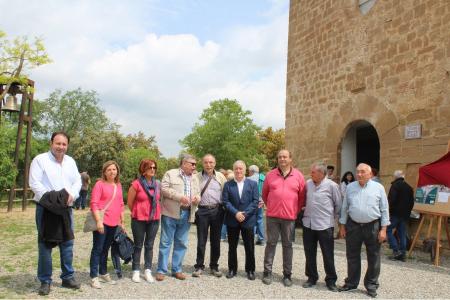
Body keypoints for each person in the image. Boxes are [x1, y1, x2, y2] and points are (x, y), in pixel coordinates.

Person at [29, 131, 82, 296]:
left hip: (66, 208)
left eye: (64, 144)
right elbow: (34, 183)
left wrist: (72, 195)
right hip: (46, 208)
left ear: (67, 145)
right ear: (51, 143)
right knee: (45, 245)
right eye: (58, 143)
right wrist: (52, 199)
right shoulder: (40, 160)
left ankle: (67, 277)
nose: (61, 147)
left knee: (67, 244)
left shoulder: (71, 161)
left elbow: (77, 181)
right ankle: (45, 280)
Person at [338, 163, 389, 298]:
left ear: (370, 174)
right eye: (357, 172)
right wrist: (342, 226)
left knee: (373, 256)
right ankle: (351, 283)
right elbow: (345, 207)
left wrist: (383, 229)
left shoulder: (378, 188)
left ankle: (371, 285)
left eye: (362, 172)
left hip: (372, 226)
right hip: (353, 225)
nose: (359, 174)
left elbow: (384, 209)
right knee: (352, 255)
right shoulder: (350, 187)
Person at [261, 149, 306, 287]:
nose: (282, 159)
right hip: (272, 217)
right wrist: (273, 206)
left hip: (289, 218)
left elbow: (302, 197)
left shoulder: (298, 175)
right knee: (271, 244)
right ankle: (267, 272)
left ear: (290, 159)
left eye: (285, 157)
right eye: (280, 157)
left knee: (288, 245)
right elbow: (265, 194)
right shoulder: (270, 175)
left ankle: (287, 274)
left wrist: (294, 211)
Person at [156, 154, 201, 281]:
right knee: (165, 242)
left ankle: (177, 270)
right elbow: (163, 189)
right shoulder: (171, 173)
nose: (194, 166)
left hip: (187, 213)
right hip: (170, 213)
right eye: (192, 164)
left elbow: (198, 193)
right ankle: (161, 270)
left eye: (195, 164)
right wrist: (179, 197)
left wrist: (197, 198)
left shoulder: (195, 178)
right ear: (184, 163)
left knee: (181, 243)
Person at [302, 163, 342, 292]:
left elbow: (338, 206)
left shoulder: (332, 186)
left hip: (325, 226)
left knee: (328, 254)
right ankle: (312, 278)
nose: (310, 174)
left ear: (321, 173)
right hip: (308, 224)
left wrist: (334, 221)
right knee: (309, 253)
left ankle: (331, 280)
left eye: (313, 172)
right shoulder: (308, 184)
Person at [89, 160, 125, 289]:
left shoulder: (118, 185)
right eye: (109, 169)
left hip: (114, 222)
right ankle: (94, 276)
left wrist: (122, 222)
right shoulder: (100, 184)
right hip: (102, 222)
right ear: (104, 172)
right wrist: (98, 221)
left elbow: (121, 204)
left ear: (117, 171)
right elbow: (94, 203)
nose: (112, 172)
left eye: (114, 169)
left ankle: (103, 272)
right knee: (97, 249)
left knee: (105, 249)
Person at [222, 160, 259, 280]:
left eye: (240, 169)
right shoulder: (228, 185)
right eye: (236, 168)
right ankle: (232, 269)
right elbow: (225, 202)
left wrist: (245, 213)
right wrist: (236, 213)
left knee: (249, 246)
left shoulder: (252, 184)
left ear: (245, 170)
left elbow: (255, 201)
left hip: (247, 220)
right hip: (232, 219)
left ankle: (250, 270)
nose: (238, 171)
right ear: (233, 170)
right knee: (232, 246)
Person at [192, 154, 227, 278]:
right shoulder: (196, 177)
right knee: (201, 240)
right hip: (202, 211)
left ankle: (214, 266)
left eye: (211, 162)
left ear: (215, 163)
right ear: (203, 163)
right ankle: (199, 266)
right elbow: (192, 192)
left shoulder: (221, 177)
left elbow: (225, 193)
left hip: (217, 211)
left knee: (215, 240)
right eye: (206, 162)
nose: (208, 165)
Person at [127, 159, 161, 283]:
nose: (152, 170)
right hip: (139, 219)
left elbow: (158, 199)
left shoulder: (157, 184)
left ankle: (147, 270)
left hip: (154, 218)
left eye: (154, 167)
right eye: (150, 167)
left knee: (150, 245)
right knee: (138, 245)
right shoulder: (136, 184)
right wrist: (139, 210)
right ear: (143, 169)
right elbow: (130, 203)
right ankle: (135, 270)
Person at [386, 170, 414, 262]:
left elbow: (391, 200)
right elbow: (411, 203)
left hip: (395, 214)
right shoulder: (409, 187)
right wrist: (408, 212)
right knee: (402, 234)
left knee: (388, 229)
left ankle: (396, 250)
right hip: (405, 215)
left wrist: (389, 211)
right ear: (403, 177)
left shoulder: (395, 186)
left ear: (395, 177)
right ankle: (403, 254)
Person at [248, 165, 266, 246]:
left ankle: (251, 239)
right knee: (260, 220)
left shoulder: (248, 179)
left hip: (251, 203)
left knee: (252, 220)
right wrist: (263, 201)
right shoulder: (264, 178)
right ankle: (261, 239)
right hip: (260, 202)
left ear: (251, 171)